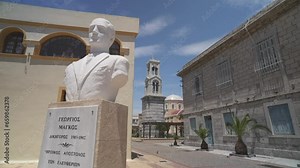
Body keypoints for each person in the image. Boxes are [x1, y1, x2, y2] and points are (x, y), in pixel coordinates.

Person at [64, 18, 129, 102]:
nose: (93, 32)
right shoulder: (71, 67)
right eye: (91, 29)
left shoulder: (118, 62)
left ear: (111, 38)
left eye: (101, 29)